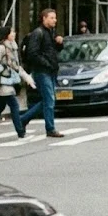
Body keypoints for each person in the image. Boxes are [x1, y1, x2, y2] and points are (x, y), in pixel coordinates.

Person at [0, 26, 37, 140]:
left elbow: (17, 67)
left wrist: (28, 78)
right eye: (12, 32)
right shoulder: (0, 48)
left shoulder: (13, 48)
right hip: (2, 82)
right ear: (6, 34)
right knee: (14, 105)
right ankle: (20, 132)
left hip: (10, 81)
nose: (14, 33)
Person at [19, 9, 65, 138]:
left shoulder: (51, 33)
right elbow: (33, 53)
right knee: (49, 99)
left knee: (48, 100)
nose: (54, 20)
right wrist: (46, 63)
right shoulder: (38, 33)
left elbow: (54, 50)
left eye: (55, 18)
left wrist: (59, 43)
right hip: (41, 71)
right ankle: (50, 128)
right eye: (51, 18)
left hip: (50, 70)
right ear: (44, 18)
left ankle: (23, 119)